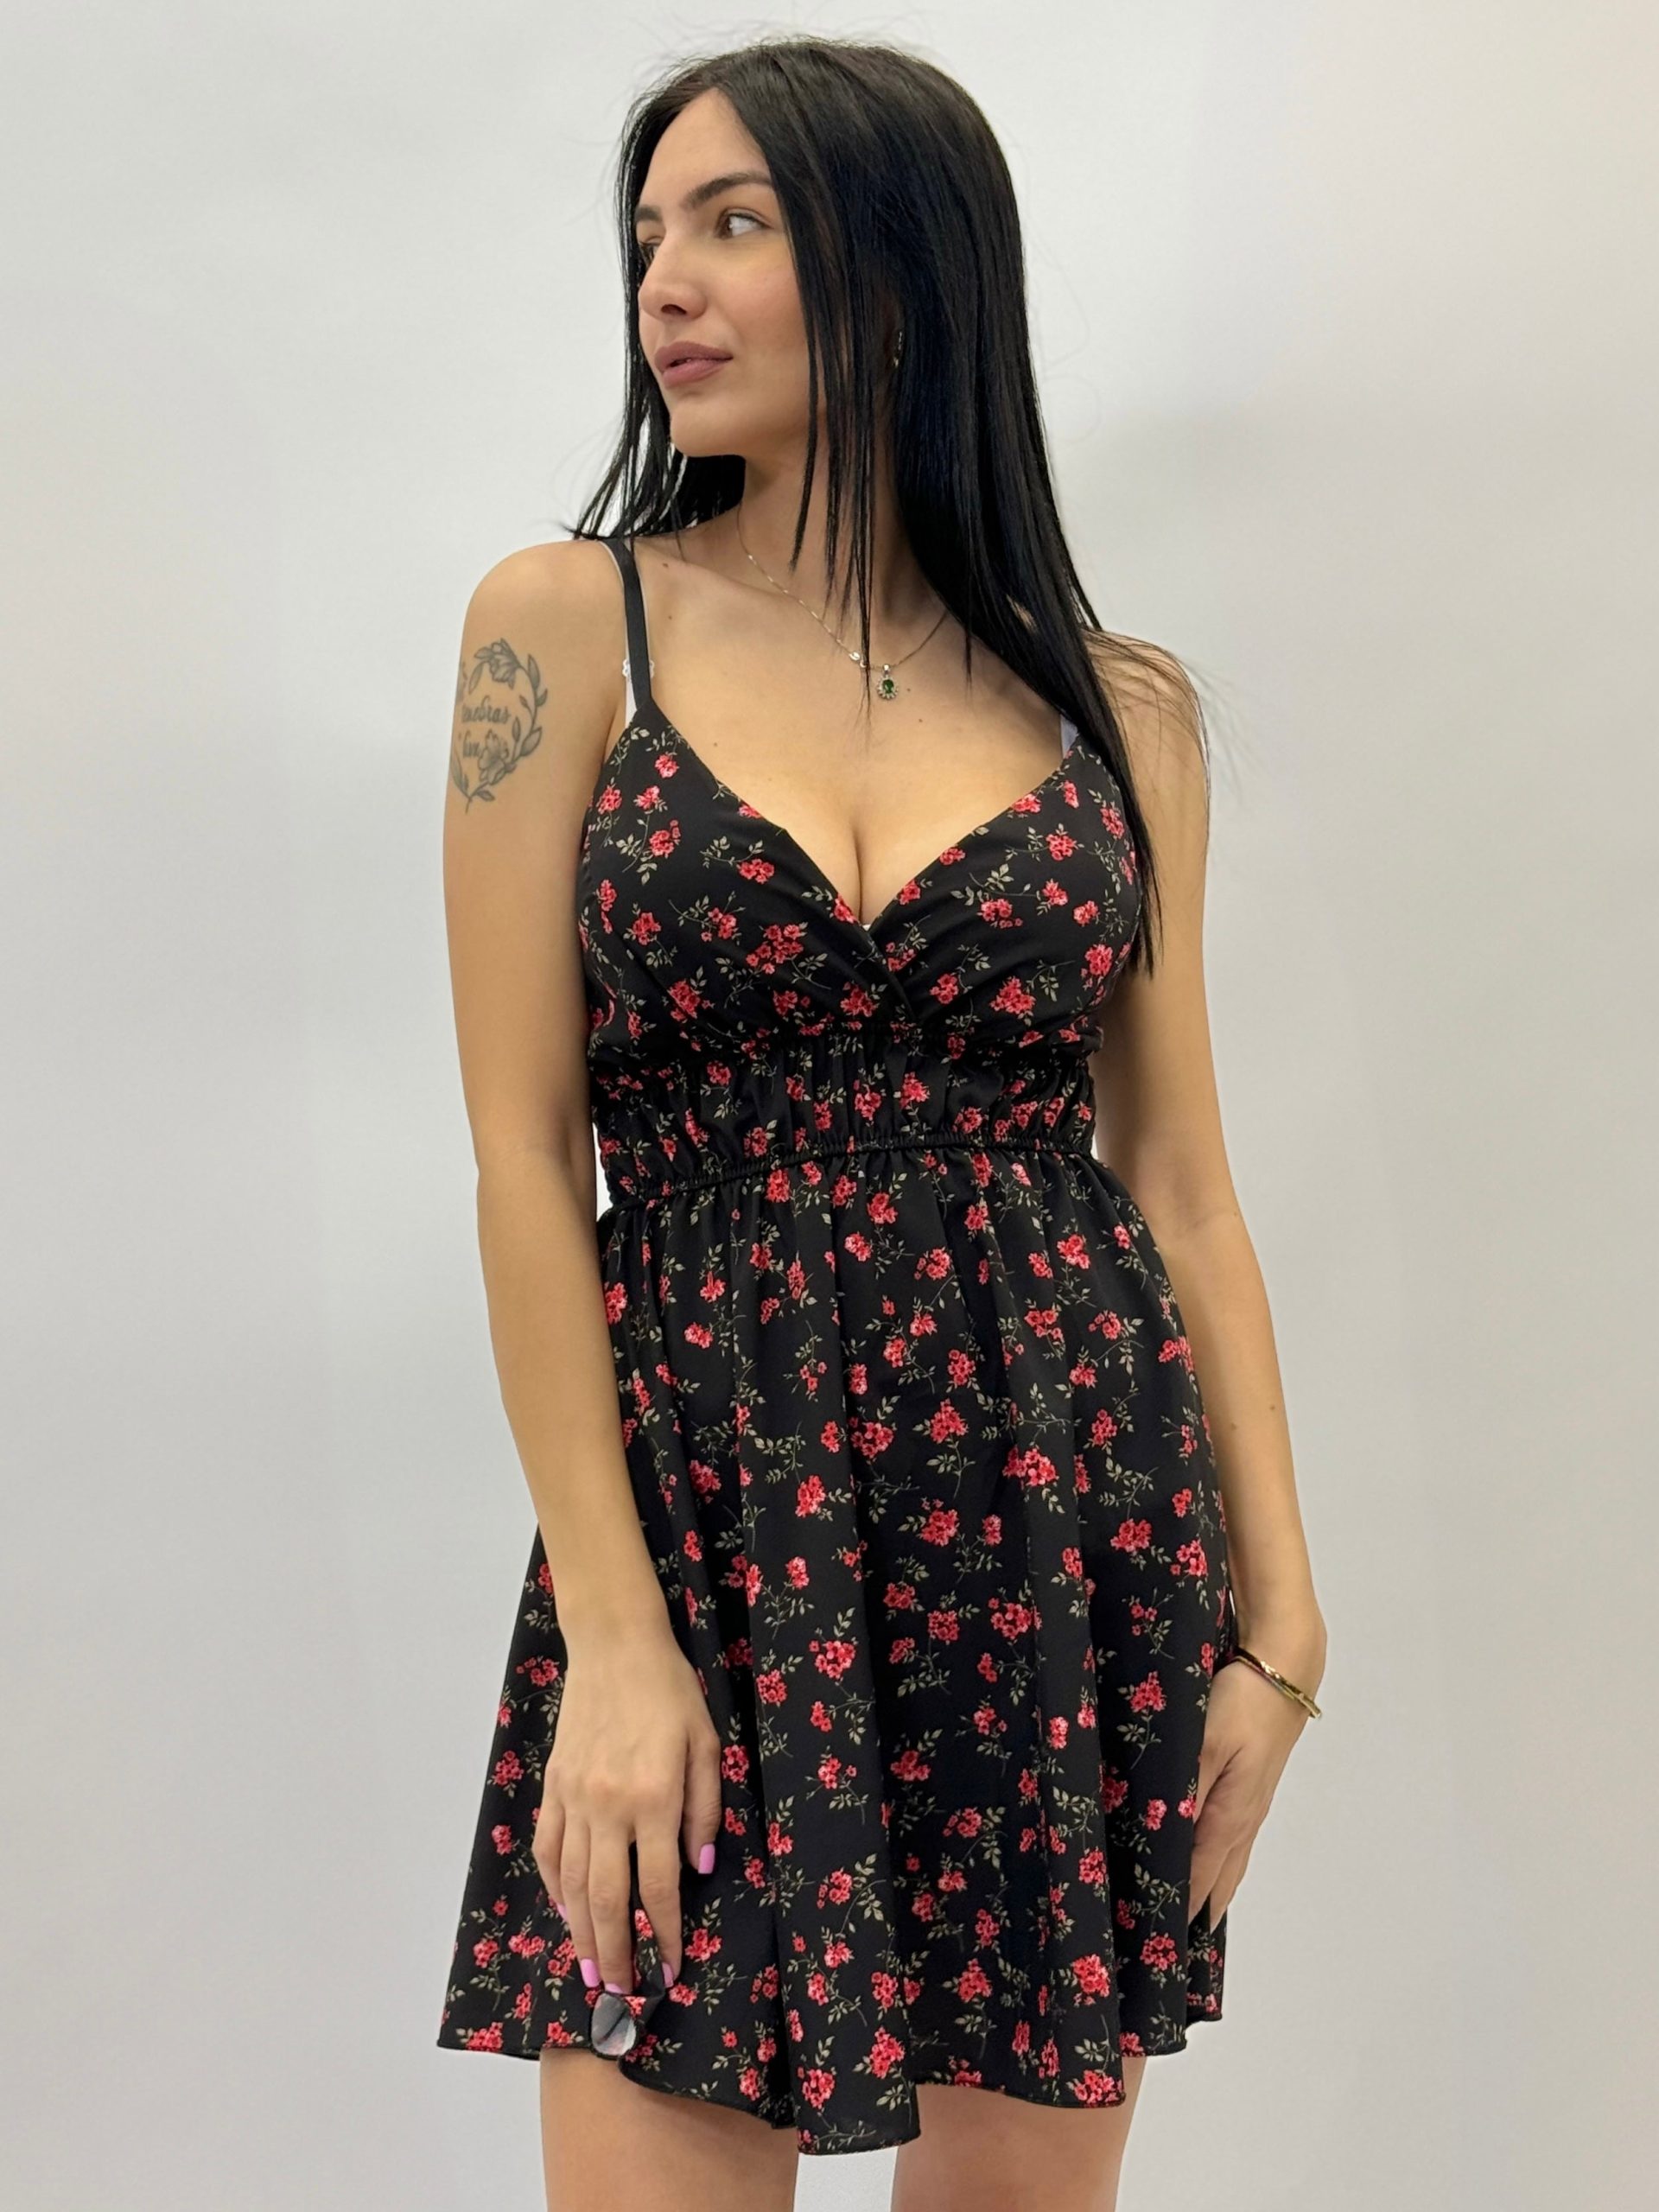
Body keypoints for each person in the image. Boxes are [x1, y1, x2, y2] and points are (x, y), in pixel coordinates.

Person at [435, 32, 1326, 2212]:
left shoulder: (1119, 711)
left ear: (909, 277)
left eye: (734, 224)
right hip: (707, 1533)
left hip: (1062, 1537)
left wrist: (1283, 1622)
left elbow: (1181, 1184)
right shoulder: (565, 629)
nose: (666, 283)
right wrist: (616, 1636)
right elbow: (527, 1159)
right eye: (650, 232)